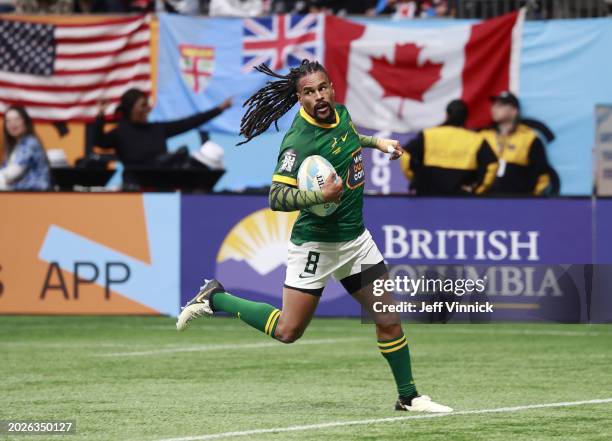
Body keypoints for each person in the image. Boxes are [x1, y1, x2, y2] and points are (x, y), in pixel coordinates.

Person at [176, 59, 453, 413]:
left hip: (355, 240)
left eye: (322, 88)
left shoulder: (341, 112)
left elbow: (349, 137)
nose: (319, 96)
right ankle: (216, 298)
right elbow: (276, 197)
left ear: (331, 88)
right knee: (289, 331)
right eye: (309, 92)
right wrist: (318, 197)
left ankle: (409, 397)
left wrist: (378, 143)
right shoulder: (298, 141)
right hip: (316, 246)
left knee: (388, 317)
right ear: (299, 97)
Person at [93, 88, 232, 167]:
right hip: (134, 191)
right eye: (143, 105)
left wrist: (219, 109)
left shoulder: (157, 129)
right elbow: (100, 141)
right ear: (130, 108)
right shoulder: (120, 133)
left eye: (148, 104)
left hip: (161, 190)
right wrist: (100, 116)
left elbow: (189, 123)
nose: (148, 108)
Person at [400, 99, 498, 195]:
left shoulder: (428, 135)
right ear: (466, 118)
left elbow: (405, 155)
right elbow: (492, 165)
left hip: (428, 196)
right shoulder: (477, 140)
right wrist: (478, 189)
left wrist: (416, 178)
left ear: (446, 115)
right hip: (461, 201)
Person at [480, 92, 552, 196]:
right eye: (494, 105)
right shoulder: (484, 136)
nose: (494, 108)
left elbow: (542, 175)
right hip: (483, 200)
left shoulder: (529, 138)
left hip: (518, 201)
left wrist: (532, 198)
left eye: (500, 105)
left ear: (514, 111)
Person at [0, 106, 51, 191]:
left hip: (35, 194)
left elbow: (12, 173)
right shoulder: (14, 146)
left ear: (26, 122)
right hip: (18, 193)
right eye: (8, 121)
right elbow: (5, 170)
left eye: (17, 119)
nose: (12, 124)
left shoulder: (30, 143)